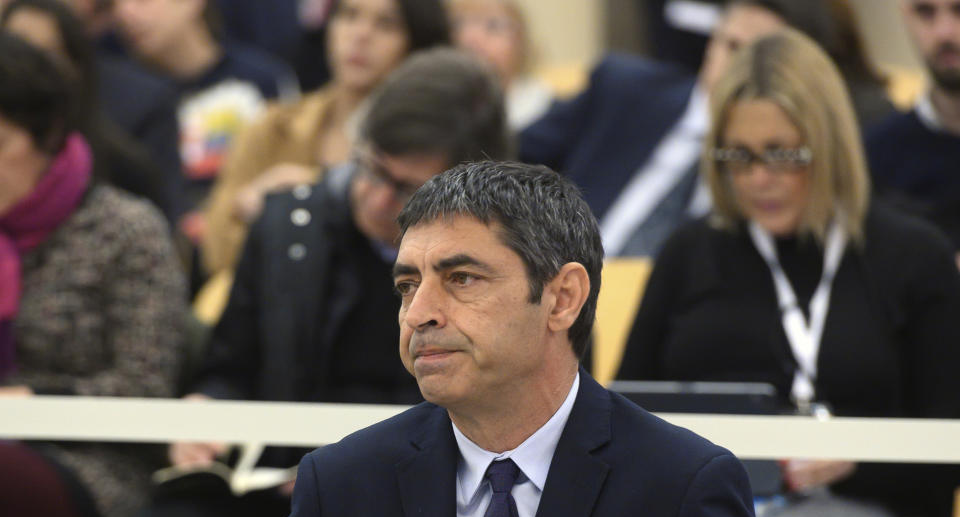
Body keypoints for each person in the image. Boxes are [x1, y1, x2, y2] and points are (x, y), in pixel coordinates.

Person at [237, 158, 778, 517]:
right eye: (407, 285)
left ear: (562, 298)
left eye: (462, 278)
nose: (418, 312)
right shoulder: (341, 484)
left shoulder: (679, 486)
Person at [127, 48, 512, 517]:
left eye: (406, 187)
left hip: (415, 503)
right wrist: (208, 408)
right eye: (371, 168)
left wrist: (343, 467)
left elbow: (506, 413)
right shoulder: (287, 227)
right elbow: (231, 366)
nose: (378, 197)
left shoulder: (500, 271)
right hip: (277, 493)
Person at [617, 28, 960, 517]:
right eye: (738, 155)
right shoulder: (691, 251)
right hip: (711, 508)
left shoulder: (912, 255)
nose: (758, 178)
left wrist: (855, 461)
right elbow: (625, 410)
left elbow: (947, 439)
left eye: (783, 153)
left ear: (827, 146)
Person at [0, 32, 185, 517]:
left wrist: (33, 398)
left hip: (93, 478)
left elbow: (144, 388)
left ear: (48, 138)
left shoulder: (126, 230)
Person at [198, 0, 449, 281]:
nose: (361, 34)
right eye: (349, 15)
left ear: (416, 43)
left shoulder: (428, 149)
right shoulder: (273, 124)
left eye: (386, 24)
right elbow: (216, 250)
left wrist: (298, 202)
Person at [519, 0, 785, 259]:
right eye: (734, 46)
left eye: (761, 57)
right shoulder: (622, 88)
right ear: (711, 44)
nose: (740, 67)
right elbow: (508, 157)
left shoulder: (780, 162)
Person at [1, 0, 179, 220]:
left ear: (75, 68)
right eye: (16, 52)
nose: (26, 71)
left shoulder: (125, 176)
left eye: (46, 55)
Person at [112, 0, 299, 210]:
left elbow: (292, 170)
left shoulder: (263, 81)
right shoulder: (118, 98)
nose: (124, 14)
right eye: (113, 4)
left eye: (142, 1)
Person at [866, 0, 960, 257]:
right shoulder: (875, 156)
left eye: (958, 10)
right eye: (925, 12)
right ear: (904, 15)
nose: (944, 32)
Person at [451, 0, 553, 131]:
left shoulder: (544, 109)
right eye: (457, 25)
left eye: (493, 26)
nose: (470, 37)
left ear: (520, 42)